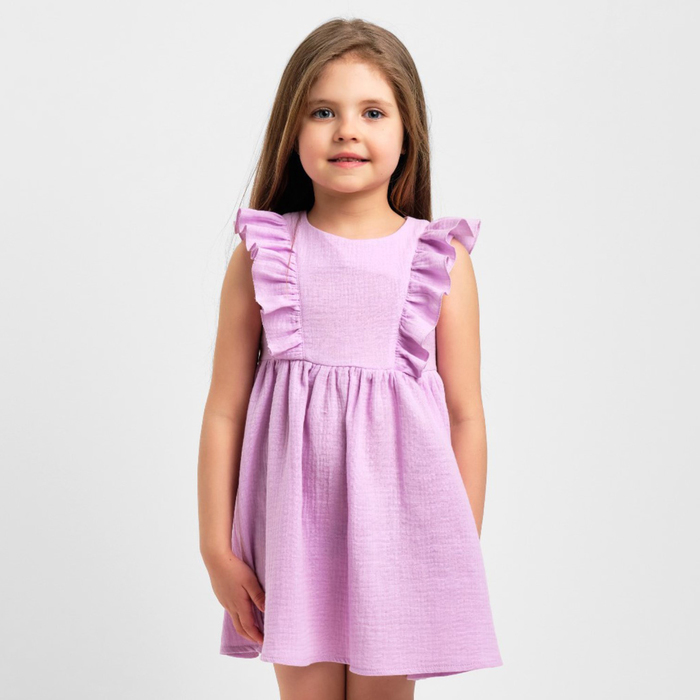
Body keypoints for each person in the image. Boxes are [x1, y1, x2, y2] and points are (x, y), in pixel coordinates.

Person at [198, 17, 503, 700]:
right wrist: (216, 548)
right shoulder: (264, 254)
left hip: (400, 542)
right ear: (291, 128)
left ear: (407, 131)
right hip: (292, 544)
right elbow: (224, 410)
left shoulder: (439, 260)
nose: (346, 131)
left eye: (372, 112)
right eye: (323, 112)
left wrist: (454, 546)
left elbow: (466, 416)